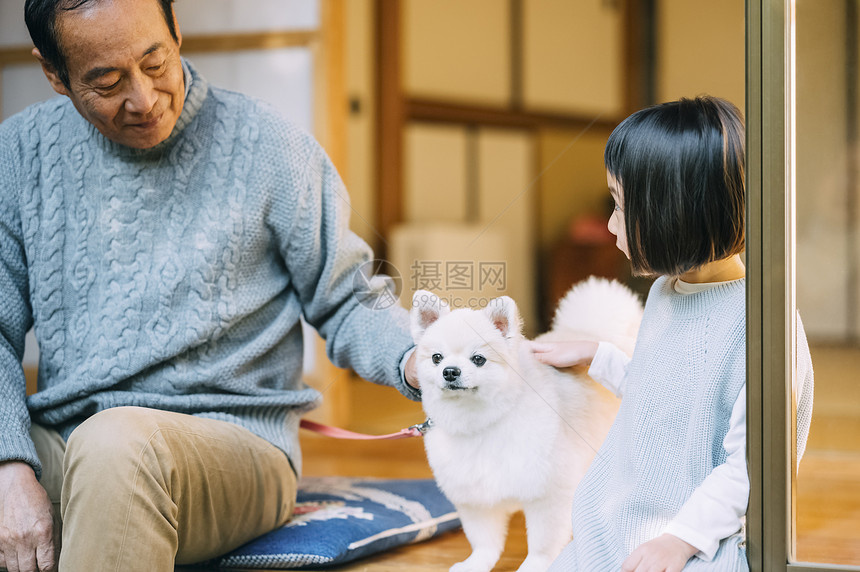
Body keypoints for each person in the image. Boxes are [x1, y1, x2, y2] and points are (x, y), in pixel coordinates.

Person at [0, 0, 421, 570]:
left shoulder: (269, 145)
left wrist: (418, 357)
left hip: (234, 444)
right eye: (107, 81)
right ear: (54, 73)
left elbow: (346, 295)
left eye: (156, 63)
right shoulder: (19, 154)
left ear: (176, 31)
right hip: (68, 438)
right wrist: (8, 465)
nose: (144, 100)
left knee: (117, 447)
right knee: (92, 447)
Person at [530, 96, 814, 571]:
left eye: (620, 206)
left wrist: (678, 541)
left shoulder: (764, 323)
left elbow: (753, 467)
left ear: (674, 212)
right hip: (617, 521)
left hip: (699, 539)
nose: (609, 223)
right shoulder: (668, 291)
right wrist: (598, 356)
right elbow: (665, 398)